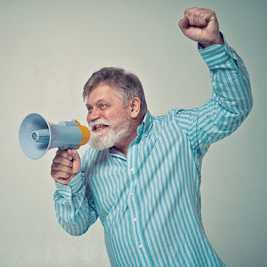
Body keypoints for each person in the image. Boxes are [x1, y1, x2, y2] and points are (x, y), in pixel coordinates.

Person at [50, 7, 252, 267]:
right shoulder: (88, 163)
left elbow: (232, 107)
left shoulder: (179, 131)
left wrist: (213, 46)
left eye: (102, 106)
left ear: (133, 107)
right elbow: (75, 226)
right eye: (89, 108)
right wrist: (67, 183)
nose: (92, 116)